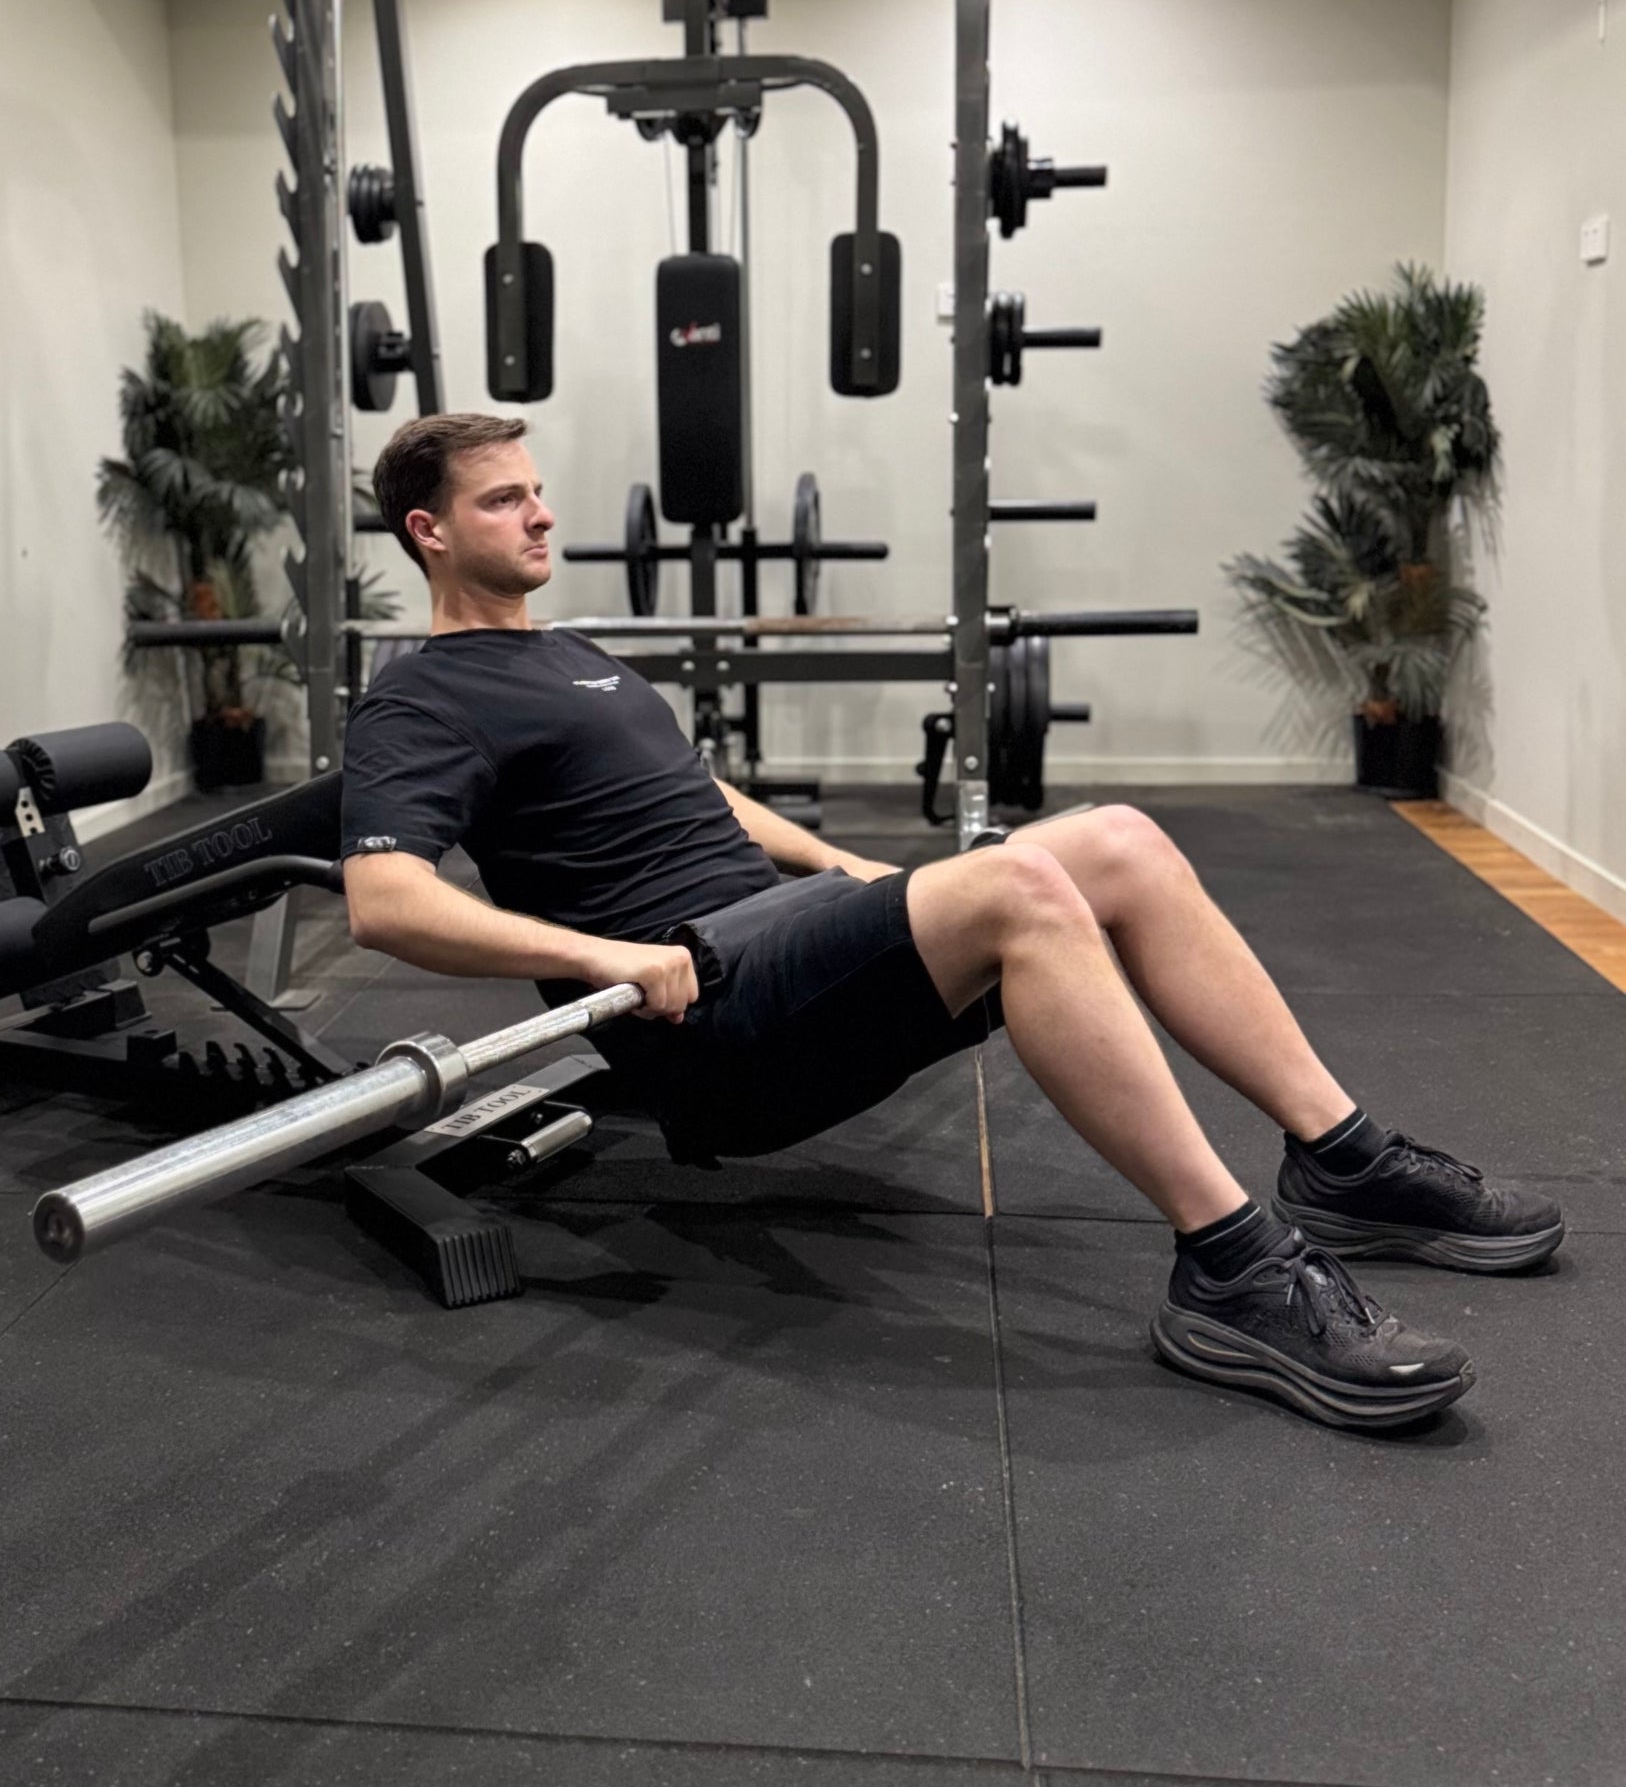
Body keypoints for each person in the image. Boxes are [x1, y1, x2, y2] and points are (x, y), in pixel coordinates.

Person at [338, 413, 1563, 1431]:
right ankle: (1231, 1265)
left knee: (1117, 840)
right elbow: (384, 900)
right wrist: (601, 956)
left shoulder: (573, 655)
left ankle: (1339, 1157)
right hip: (709, 1018)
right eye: (505, 500)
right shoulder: (419, 699)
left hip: (787, 931)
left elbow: (688, 791)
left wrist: (834, 857)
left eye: (539, 491)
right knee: (1022, 887)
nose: (543, 513)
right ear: (428, 531)